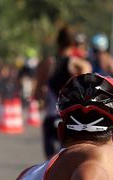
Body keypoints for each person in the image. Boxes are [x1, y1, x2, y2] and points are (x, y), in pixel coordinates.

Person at [33, 26, 91, 158]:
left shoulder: (47, 63)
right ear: (73, 43)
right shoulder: (79, 65)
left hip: (51, 116)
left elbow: (37, 95)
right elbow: (88, 91)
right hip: (71, 119)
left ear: (57, 42)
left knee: (51, 162)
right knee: (68, 162)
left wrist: (44, 98)